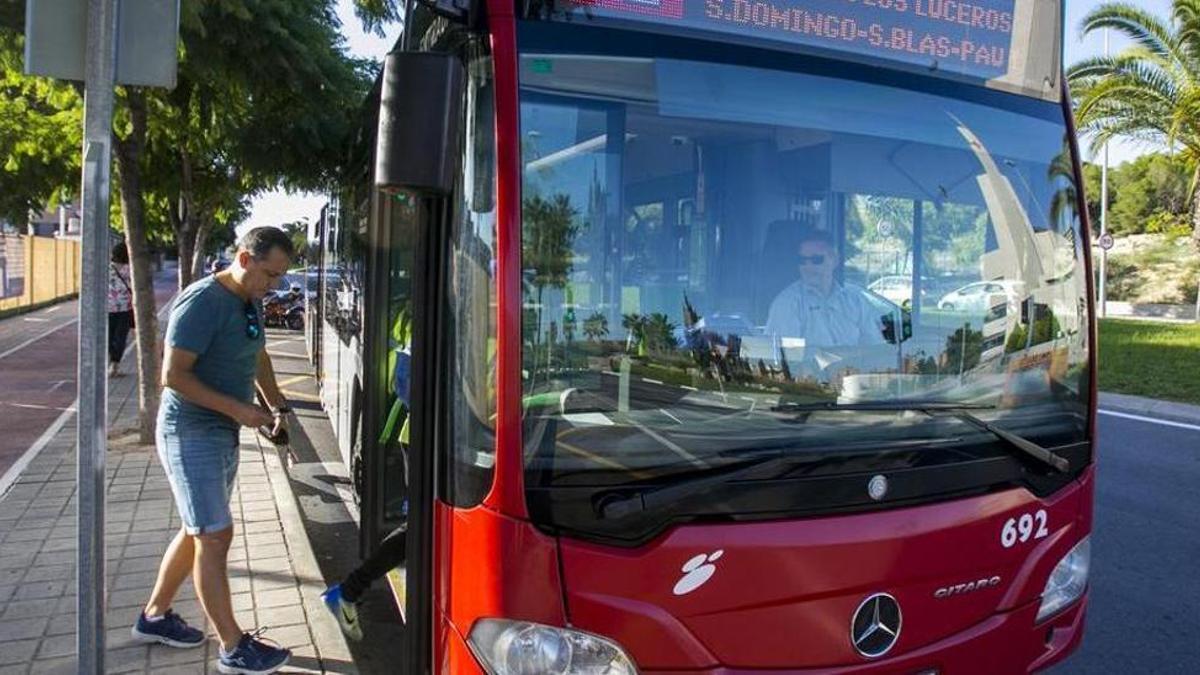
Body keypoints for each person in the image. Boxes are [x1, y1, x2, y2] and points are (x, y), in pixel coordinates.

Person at [132, 227, 295, 675]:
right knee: (215, 535)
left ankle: (154, 617)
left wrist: (275, 405)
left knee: (197, 529)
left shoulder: (249, 299)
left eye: (279, 277)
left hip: (220, 431)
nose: (273, 286)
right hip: (190, 432)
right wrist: (238, 409)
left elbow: (257, 355)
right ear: (243, 258)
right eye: (269, 274)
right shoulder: (202, 301)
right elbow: (173, 376)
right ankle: (232, 647)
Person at [765, 229, 885, 349]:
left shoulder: (855, 300)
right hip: (807, 368)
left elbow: (874, 347)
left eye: (816, 260)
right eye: (802, 260)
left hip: (854, 367)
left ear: (835, 260)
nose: (808, 266)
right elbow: (784, 356)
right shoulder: (788, 303)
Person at [107, 242, 134, 377]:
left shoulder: (107, 268)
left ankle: (111, 361)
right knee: (120, 337)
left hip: (108, 308)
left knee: (109, 336)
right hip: (125, 308)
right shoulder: (131, 269)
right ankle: (114, 365)